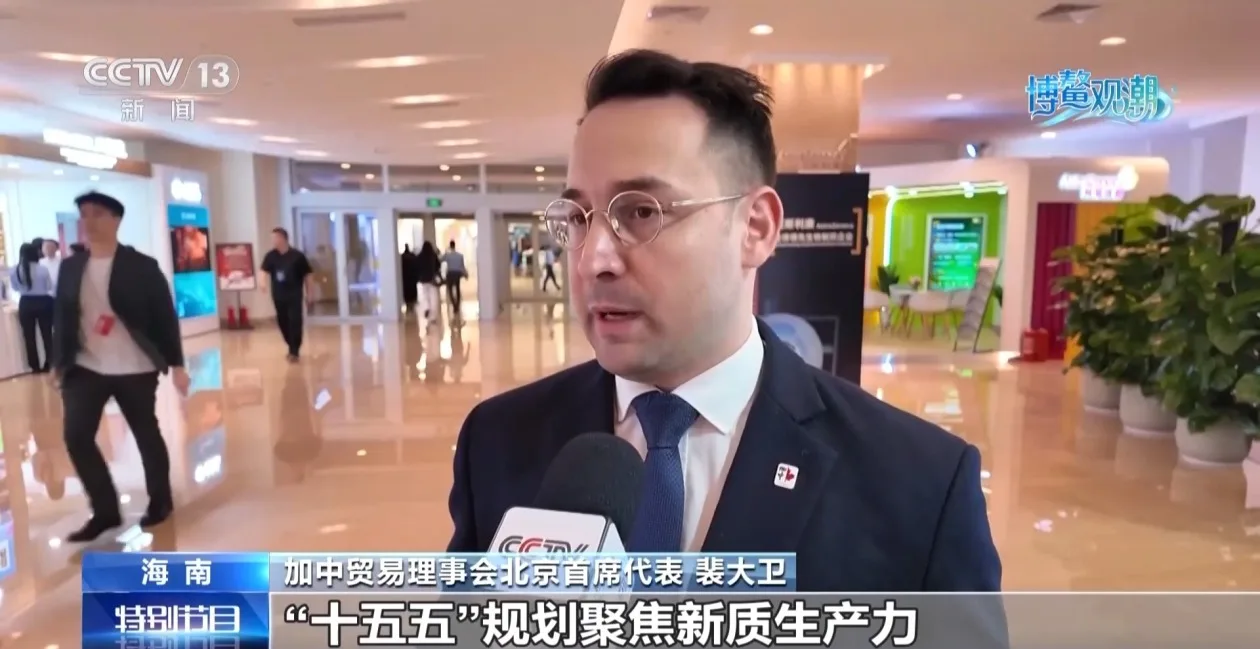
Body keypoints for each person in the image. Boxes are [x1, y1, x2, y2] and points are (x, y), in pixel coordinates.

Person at [446, 51, 1002, 595]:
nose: (594, 259)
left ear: (755, 228)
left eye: (640, 212)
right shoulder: (497, 441)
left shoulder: (920, 483)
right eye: (578, 218)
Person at [52, 191, 189, 542]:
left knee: (145, 433)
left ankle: (160, 501)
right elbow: (63, 317)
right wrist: (59, 361)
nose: (89, 221)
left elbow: (164, 316)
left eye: (98, 214)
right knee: (76, 436)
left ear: (116, 220)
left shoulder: (141, 266)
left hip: (134, 365)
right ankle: (105, 510)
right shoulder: (71, 267)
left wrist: (177, 364)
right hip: (85, 366)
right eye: (84, 214)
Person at [260, 227, 314, 362]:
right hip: (278, 295)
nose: (273, 241)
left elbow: (308, 275)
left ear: (282, 238)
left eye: (275, 238)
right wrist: (262, 283)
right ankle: (291, 344)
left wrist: (310, 294)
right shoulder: (270, 256)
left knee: (295, 321)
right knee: (282, 322)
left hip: (294, 295)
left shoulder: (297, 256)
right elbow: (263, 271)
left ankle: (294, 351)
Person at [10, 243, 55, 373]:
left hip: (26, 302)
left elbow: (14, 288)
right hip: (44, 302)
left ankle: (34, 366)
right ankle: (49, 363)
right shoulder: (43, 269)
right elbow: (49, 286)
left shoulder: (14, 270)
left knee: (29, 336)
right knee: (47, 335)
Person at [415, 241, 442, 322]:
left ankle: (427, 308)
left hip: (423, 279)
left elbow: (417, 267)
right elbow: (438, 266)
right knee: (433, 297)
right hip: (432, 279)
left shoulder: (419, 256)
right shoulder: (433, 255)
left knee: (425, 296)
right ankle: (433, 316)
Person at [440, 241, 467, 320]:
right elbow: (462, 266)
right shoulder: (460, 255)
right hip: (457, 274)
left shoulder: (447, 255)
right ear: (455, 245)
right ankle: (457, 305)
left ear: (450, 246)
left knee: (450, 290)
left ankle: (454, 305)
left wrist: (446, 251)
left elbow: (441, 259)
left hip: (450, 273)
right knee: (457, 289)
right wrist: (465, 273)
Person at [400, 244, 419, 314]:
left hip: (405, 278)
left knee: (406, 293)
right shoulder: (413, 256)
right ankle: (412, 307)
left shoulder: (402, 257)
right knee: (413, 292)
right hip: (412, 278)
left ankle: (408, 306)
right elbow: (416, 266)